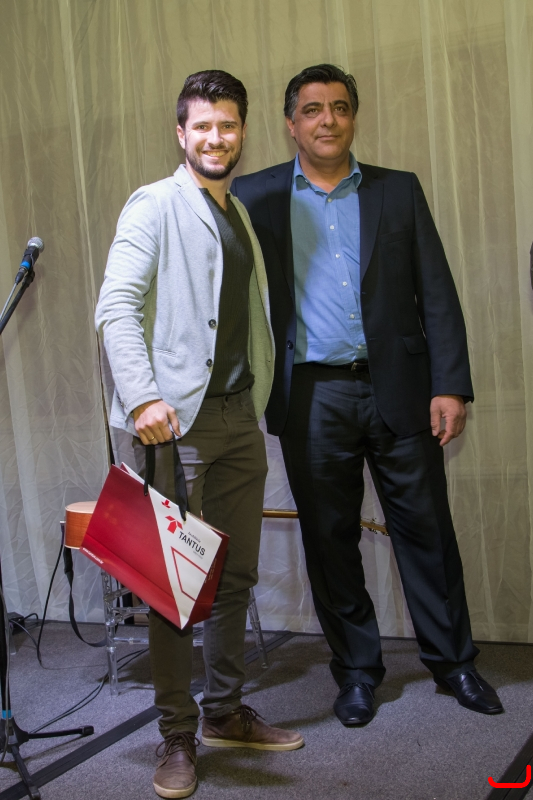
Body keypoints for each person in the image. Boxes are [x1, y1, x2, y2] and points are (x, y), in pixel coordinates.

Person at [231, 63, 503, 727]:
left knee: (426, 532)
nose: (328, 119)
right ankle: (355, 672)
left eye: (340, 107)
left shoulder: (396, 190)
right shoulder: (254, 195)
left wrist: (450, 384)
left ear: (353, 117)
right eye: (313, 109)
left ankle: (455, 664)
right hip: (309, 394)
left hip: (401, 389)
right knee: (329, 541)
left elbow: (435, 290)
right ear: (290, 123)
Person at [96, 70, 303, 800]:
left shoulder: (235, 212)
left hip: (238, 418)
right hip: (175, 425)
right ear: (181, 133)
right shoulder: (154, 204)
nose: (217, 137)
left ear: (242, 131)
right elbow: (116, 306)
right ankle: (177, 733)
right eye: (203, 126)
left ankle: (224, 712)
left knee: (235, 577)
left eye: (229, 125)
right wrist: (142, 396)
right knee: (171, 587)